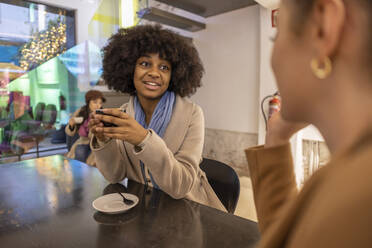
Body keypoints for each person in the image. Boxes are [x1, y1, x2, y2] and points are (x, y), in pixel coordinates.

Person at [245, 0, 372, 247]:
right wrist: (277, 137)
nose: (273, 60)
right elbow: (293, 237)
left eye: (276, 36)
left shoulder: (357, 202)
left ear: (323, 27)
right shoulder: (352, 177)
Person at [89, 25, 225, 211]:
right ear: (130, 69)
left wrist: (143, 139)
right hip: (142, 207)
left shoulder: (192, 114)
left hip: (187, 208)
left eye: (164, 67)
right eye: (145, 63)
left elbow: (182, 187)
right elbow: (114, 176)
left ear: (173, 75)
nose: (154, 72)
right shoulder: (124, 114)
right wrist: (104, 141)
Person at [65, 90, 105, 165]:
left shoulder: (103, 115)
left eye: (100, 103)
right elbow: (70, 132)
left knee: (93, 158)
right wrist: (71, 125)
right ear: (88, 102)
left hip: (97, 142)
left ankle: (86, 173)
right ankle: (79, 173)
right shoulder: (81, 111)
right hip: (83, 141)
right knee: (80, 151)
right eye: (95, 102)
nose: (98, 106)